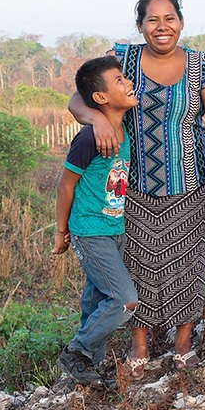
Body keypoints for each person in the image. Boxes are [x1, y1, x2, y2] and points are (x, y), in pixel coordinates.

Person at [72, 0, 205, 373]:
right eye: (153, 20)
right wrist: (97, 119)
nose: (162, 27)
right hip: (130, 185)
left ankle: (183, 341)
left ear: (181, 22)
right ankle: (141, 345)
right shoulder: (122, 60)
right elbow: (78, 99)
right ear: (140, 26)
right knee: (136, 263)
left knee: (188, 262)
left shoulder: (202, 65)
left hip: (192, 181)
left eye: (170, 18)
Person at [52, 57, 139, 386]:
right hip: (89, 231)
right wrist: (62, 232)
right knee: (123, 299)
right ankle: (76, 352)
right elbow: (65, 184)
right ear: (101, 98)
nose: (128, 83)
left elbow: (83, 99)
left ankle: (90, 369)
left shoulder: (122, 127)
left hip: (114, 228)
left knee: (96, 302)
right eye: (119, 80)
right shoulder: (89, 138)